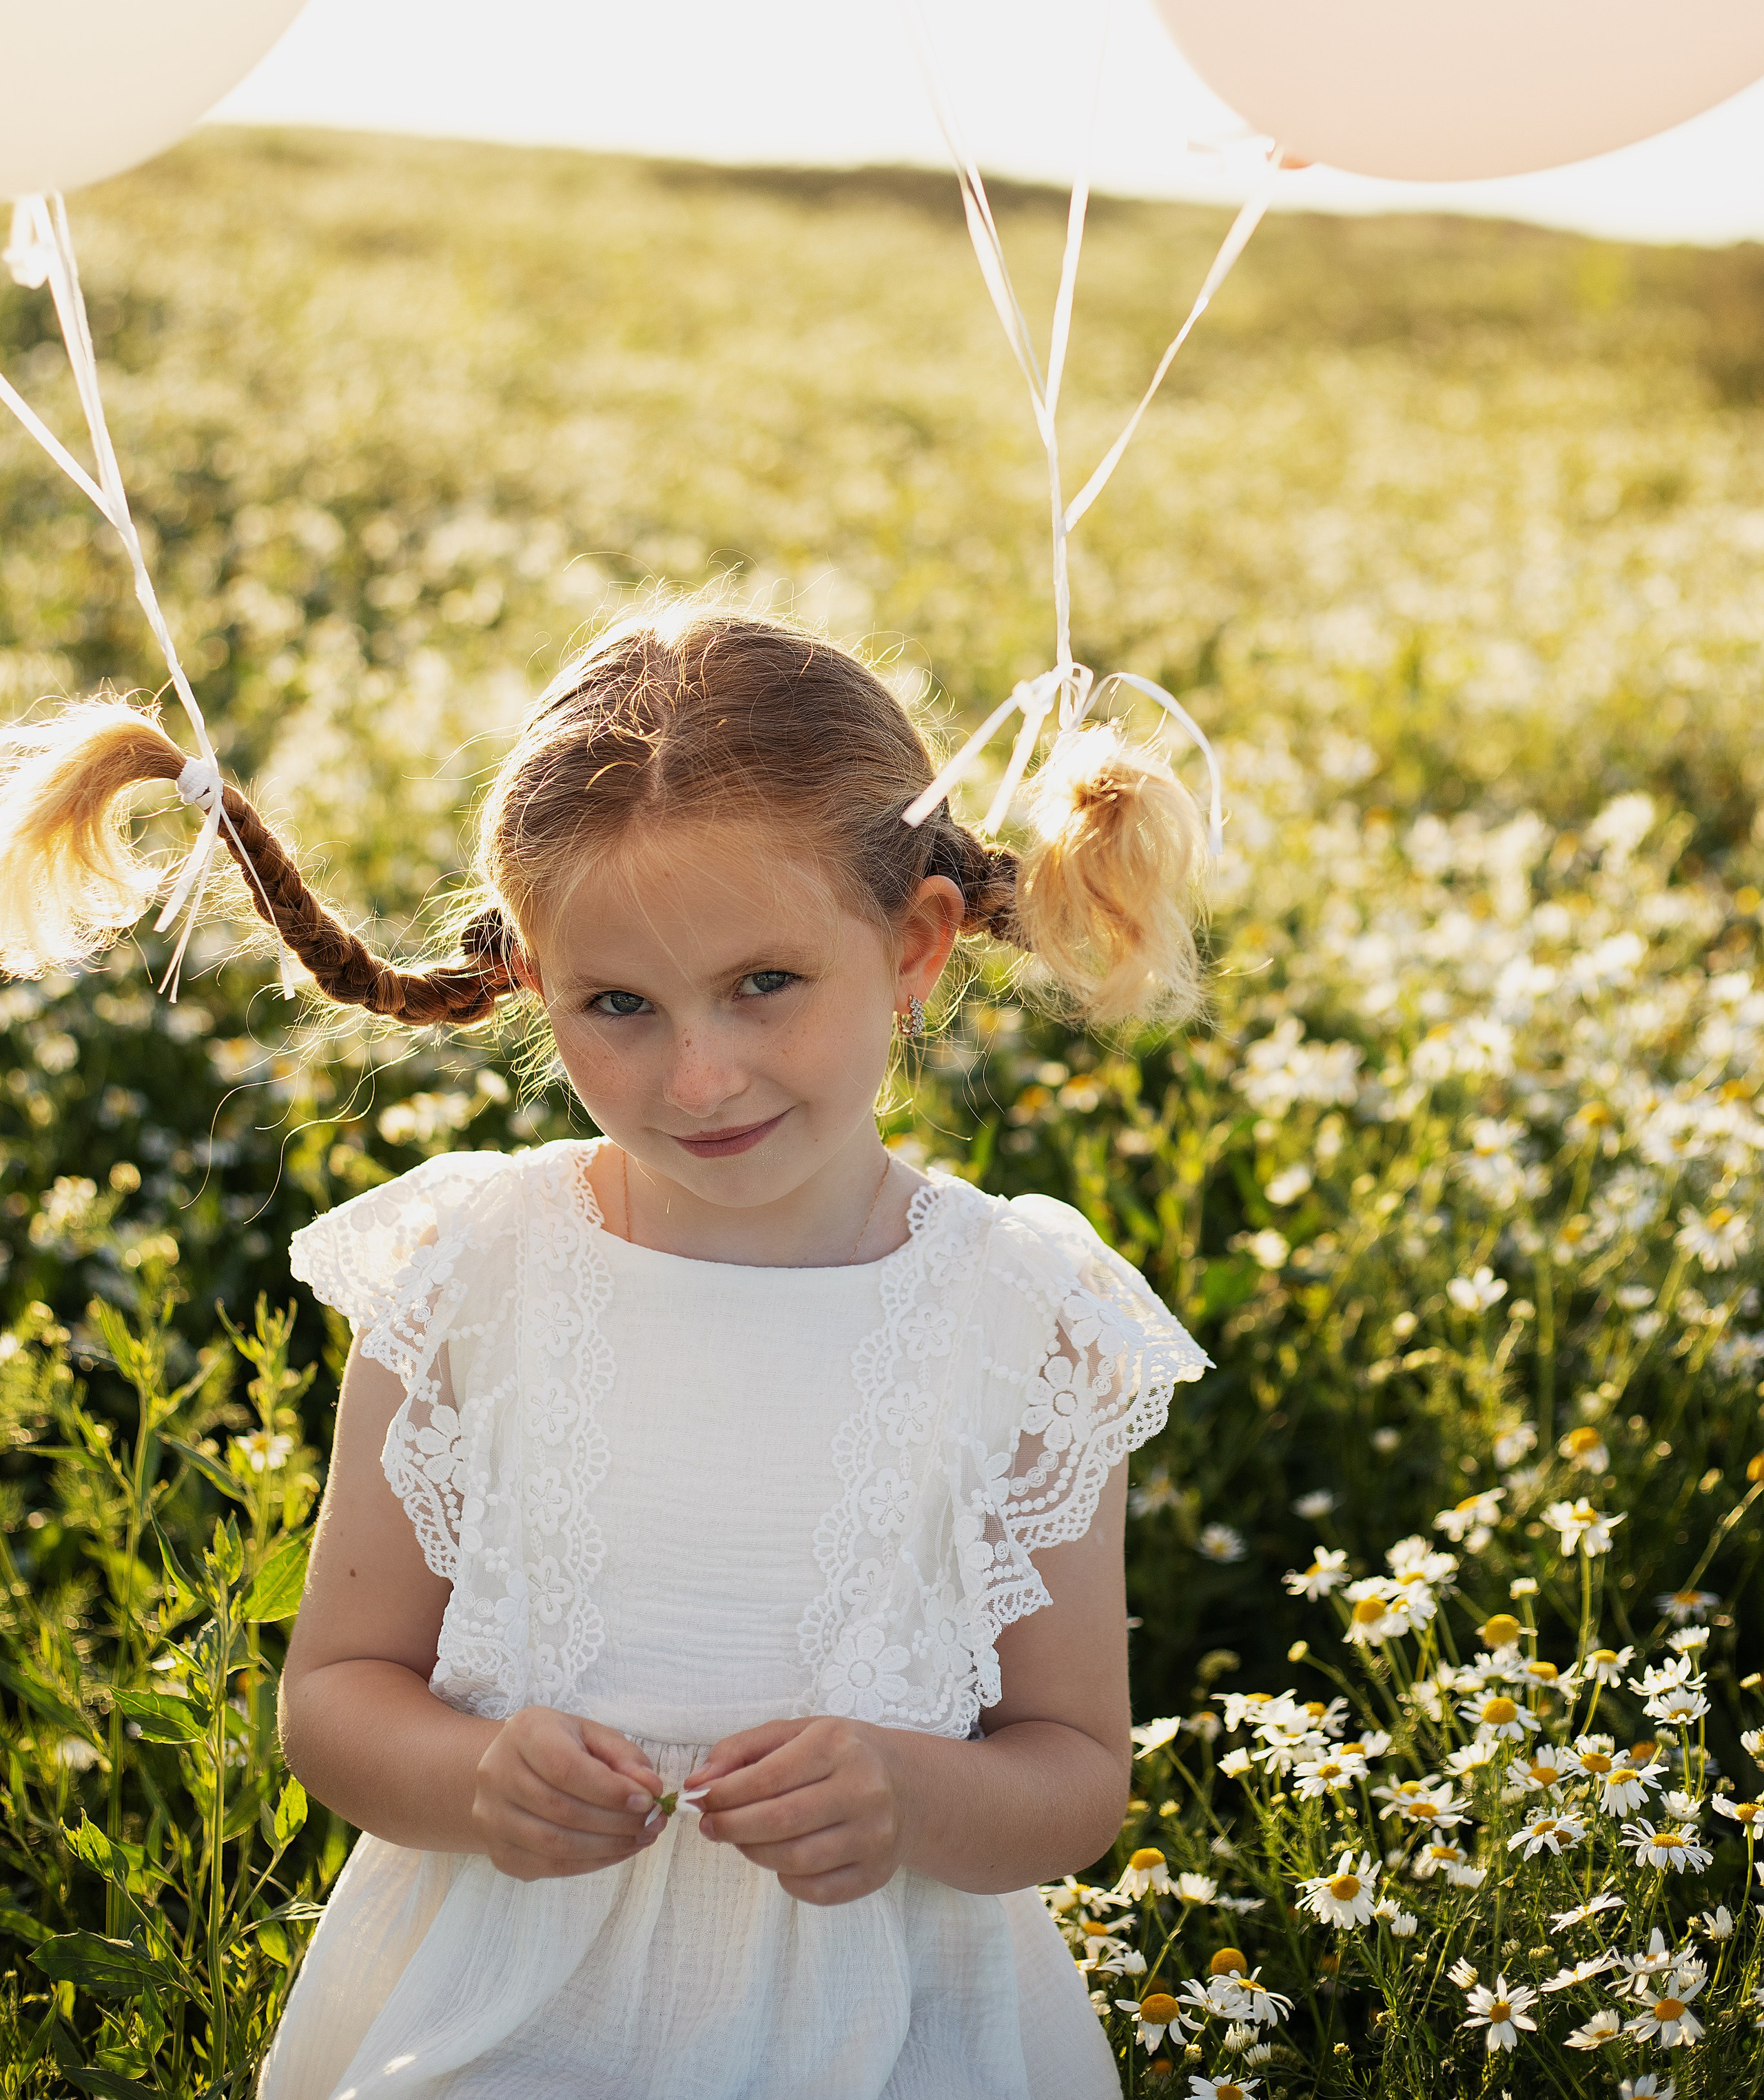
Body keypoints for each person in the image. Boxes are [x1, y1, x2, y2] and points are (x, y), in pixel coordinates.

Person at [0, 602, 1211, 2100]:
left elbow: (1074, 1770)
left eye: (764, 984)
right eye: (617, 1006)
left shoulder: (1023, 1315)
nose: (697, 1076)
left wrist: (906, 1791)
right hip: (506, 1995)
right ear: (528, 979)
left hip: (887, 2019)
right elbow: (339, 1693)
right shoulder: (472, 1273)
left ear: (912, 945)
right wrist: (474, 1777)